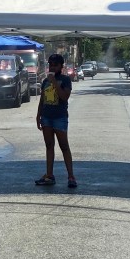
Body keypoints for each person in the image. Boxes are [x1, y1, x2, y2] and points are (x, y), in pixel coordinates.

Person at [35, 53, 77, 188]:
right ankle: (49, 175)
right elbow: (42, 99)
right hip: (46, 117)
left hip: (60, 118)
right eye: (50, 65)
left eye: (55, 65)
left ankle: (71, 176)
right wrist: (38, 115)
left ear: (61, 66)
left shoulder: (65, 80)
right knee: (49, 146)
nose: (52, 67)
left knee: (64, 146)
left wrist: (54, 82)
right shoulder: (45, 81)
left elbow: (65, 97)